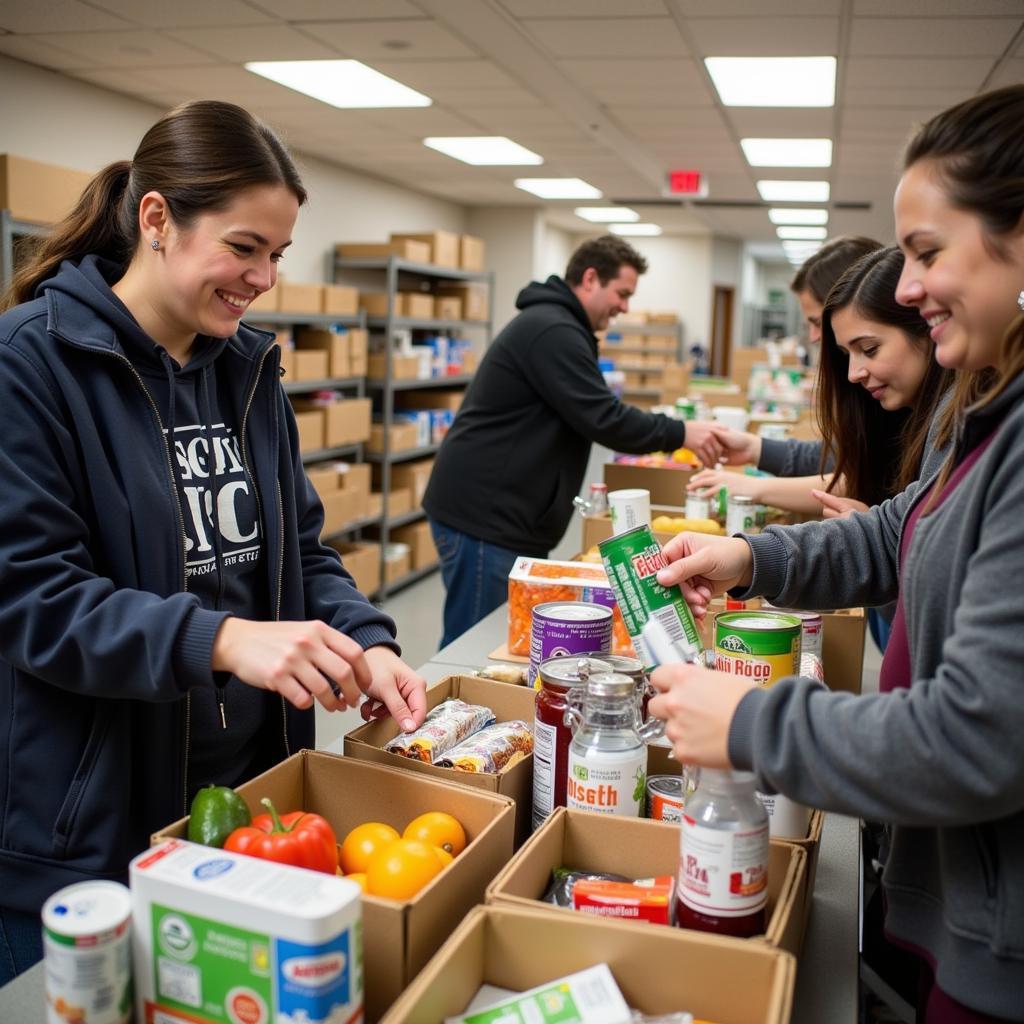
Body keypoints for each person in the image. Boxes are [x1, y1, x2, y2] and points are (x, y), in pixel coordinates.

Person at [0, 100, 426, 983]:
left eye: (277, 254)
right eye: (243, 247)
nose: (263, 276)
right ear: (156, 218)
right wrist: (223, 640)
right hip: (95, 822)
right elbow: (33, 599)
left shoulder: (248, 371)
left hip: (240, 799)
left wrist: (368, 640)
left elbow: (300, 552)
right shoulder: (28, 366)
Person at [650, 85, 1024, 1021]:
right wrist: (749, 557)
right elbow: (902, 527)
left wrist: (751, 725)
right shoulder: (984, 402)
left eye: (930, 254)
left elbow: (976, 737)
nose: (904, 286)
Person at [423, 234, 725, 647]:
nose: (625, 306)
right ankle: (447, 713)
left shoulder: (560, 326)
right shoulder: (552, 330)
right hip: (484, 520)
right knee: (474, 644)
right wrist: (681, 432)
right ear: (589, 279)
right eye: (622, 293)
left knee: (503, 639)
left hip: (504, 517)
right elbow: (605, 418)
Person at [689, 246, 955, 520]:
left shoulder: (951, 425)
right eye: (845, 353)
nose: (853, 373)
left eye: (870, 348)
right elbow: (850, 461)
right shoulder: (897, 410)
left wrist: (873, 533)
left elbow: (870, 494)